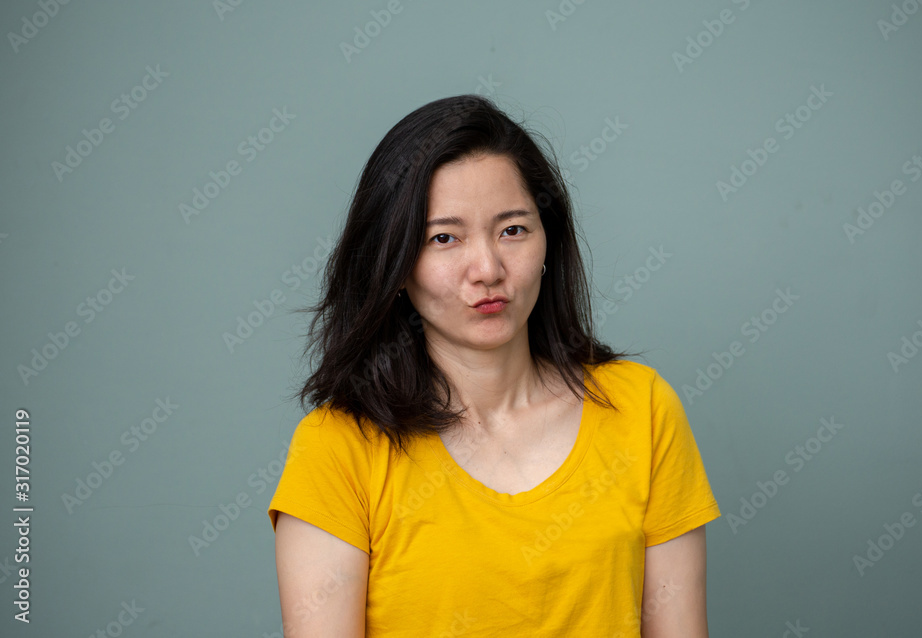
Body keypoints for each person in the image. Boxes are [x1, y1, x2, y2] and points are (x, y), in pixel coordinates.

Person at [267, 94, 721, 637]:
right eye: (443, 238)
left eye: (512, 230)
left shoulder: (641, 409)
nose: (487, 269)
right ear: (395, 263)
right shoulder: (337, 449)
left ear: (549, 240)